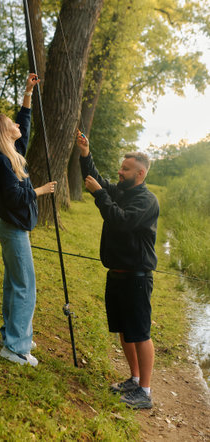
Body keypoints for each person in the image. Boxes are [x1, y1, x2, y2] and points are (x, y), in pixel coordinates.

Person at [77, 131, 159, 409]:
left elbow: (122, 221)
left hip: (137, 277)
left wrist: (100, 195)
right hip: (117, 275)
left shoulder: (146, 201)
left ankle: (145, 392)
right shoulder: (121, 191)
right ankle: (134, 380)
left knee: (140, 332)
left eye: (125, 169)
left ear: (140, 173)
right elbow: (97, 181)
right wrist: (85, 153)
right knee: (124, 331)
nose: (120, 172)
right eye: (121, 167)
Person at [0, 73, 56, 367]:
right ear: (3, 132)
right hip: (13, 229)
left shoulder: (10, 154)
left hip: (13, 228)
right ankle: (15, 347)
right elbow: (13, 197)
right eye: (10, 124)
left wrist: (28, 93)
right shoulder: (2, 162)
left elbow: (23, 125)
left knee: (14, 284)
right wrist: (40, 190)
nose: (17, 125)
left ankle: (13, 334)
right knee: (25, 285)